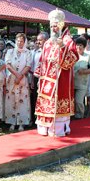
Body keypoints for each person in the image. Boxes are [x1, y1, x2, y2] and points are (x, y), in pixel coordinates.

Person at [35, 9, 78, 137]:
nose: (53, 29)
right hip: (45, 81)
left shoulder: (68, 41)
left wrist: (62, 47)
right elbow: (42, 60)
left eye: (56, 26)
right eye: (52, 26)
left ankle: (58, 130)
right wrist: (39, 77)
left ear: (61, 25)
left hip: (61, 81)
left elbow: (73, 59)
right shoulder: (47, 42)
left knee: (58, 106)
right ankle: (44, 129)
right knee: (45, 103)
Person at [4, 33, 32, 132]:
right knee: (11, 100)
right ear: (15, 41)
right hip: (12, 79)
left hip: (22, 79)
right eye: (18, 41)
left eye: (22, 41)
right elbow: (7, 64)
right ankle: (12, 122)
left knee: (22, 101)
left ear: (25, 42)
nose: (20, 43)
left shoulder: (28, 52)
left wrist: (20, 76)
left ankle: (21, 123)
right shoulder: (10, 51)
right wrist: (16, 74)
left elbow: (28, 66)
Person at [73, 37, 90, 119]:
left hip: (82, 83)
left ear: (84, 46)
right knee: (72, 102)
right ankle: (71, 116)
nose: (78, 47)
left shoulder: (88, 57)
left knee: (79, 101)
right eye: (77, 45)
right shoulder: (72, 55)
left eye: (80, 45)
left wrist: (84, 71)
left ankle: (80, 116)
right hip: (71, 83)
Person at [30, 32, 49, 124]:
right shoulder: (35, 52)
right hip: (37, 78)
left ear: (46, 40)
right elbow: (33, 67)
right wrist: (33, 81)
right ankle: (35, 118)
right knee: (35, 98)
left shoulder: (50, 52)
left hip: (48, 79)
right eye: (37, 40)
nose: (38, 42)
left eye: (40, 40)